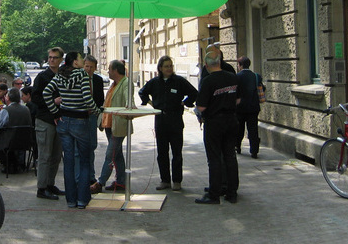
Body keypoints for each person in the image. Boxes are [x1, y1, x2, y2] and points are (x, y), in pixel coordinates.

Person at [43, 51, 99, 209]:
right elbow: (88, 99)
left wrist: (55, 112)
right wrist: (98, 112)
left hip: (64, 121)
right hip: (80, 121)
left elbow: (47, 93)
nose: (83, 61)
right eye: (81, 58)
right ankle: (82, 199)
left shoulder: (60, 75)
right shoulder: (82, 75)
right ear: (75, 62)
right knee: (84, 160)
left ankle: (71, 200)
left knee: (68, 161)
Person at [138, 55, 197, 191]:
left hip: (175, 120)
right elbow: (142, 92)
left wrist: (184, 103)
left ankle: (177, 181)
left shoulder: (179, 81)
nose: (169, 68)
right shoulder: (154, 82)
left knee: (177, 152)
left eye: (171, 66)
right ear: (160, 68)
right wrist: (151, 103)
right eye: (166, 66)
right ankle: (165, 180)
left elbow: (194, 93)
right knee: (162, 152)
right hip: (161, 121)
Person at [194, 51, 240, 205]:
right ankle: (232, 192)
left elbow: (201, 106)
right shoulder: (233, 77)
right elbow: (238, 100)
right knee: (230, 156)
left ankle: (214, 194)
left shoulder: (208, 81)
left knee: (214, 158)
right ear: (220, 62)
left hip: (214, 122)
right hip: (232, 119)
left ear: (206, 65)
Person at [31, 47, 66, 200]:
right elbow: (35, 99)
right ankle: (42, 188)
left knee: (56, 155)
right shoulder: (42, 77)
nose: (52, 60)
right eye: (50, 57)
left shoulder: (63, 76)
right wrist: (53, 101)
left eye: (55, 57)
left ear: (61, 59)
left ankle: (50, 184)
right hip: (45, 120)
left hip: (58, 120)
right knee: (45, 156)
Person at [90, 60, 130, 194]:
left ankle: (100, 182)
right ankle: (121, 182)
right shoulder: (114, 84)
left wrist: (131, 105)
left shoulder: (126, 83)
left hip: (118, 125)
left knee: (110, 154)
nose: (108, 71)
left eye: (109, 69)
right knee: (117, 154)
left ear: (115, 71)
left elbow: (128, 99)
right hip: (109, 124)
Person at [78, 54, 104, 185]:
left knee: (91, 146)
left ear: (95, 68)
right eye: (86, 66)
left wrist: (99, 116)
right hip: (80, 117)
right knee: (80, 148)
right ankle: (81, 176)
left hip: (93, 117)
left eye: (91, 67)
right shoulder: (77, 79)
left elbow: (100, 101)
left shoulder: (98, 80)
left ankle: (91, 176)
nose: (88, 69)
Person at [0, 87, 33, 173]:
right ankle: (19, 164)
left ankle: (8, 164)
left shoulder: (5, 111)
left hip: (9, 142)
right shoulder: (26, 109)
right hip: (26, 142)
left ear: (7, 98)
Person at [235, 56, 263, 158]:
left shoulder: (237, 77)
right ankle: (254, 151)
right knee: (253, 130)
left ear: (241, 65)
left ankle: (237, 146)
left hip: (240, 108)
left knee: (239, 129)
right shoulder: (256, 76)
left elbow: (235, 92)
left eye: (238, 65)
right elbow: (262, 88)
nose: (238, 67)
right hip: (253, 107)